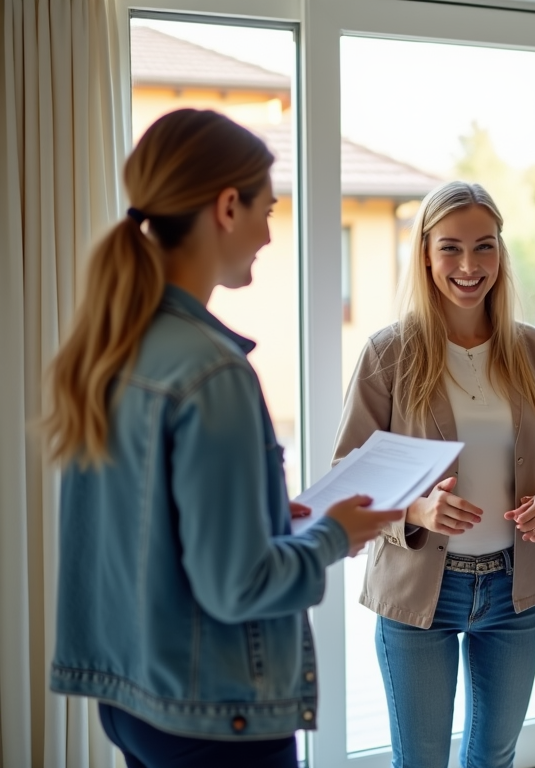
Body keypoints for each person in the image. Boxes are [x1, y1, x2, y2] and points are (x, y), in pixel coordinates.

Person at [43, 109, 400, 768]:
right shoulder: (212, 373)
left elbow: (145, 532)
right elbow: (237, 587)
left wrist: (268, 520)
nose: (270, 233)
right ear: (227, 207)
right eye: (267, 209)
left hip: (134, 701)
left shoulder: (114, 344)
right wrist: (334, 535)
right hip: (215, 719)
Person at [333, 180, 535, 768]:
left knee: (494, 757)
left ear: (501, 252)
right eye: (451, 248)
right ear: (424, 253)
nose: (470, 266)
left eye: (484, 246)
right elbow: (346, 478)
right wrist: (416, 511)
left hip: (512, 591)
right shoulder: (389, 353)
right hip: (418, 590)